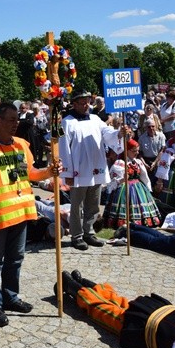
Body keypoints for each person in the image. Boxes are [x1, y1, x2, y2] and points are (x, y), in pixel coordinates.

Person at [0, 102, 59, 327]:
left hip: (22, 212)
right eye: (11, 120)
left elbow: (30, 175)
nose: (15, 124)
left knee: (16, 259)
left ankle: (10, 297)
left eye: (17, 120)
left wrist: (49, 171)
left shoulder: (21, 145)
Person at [59, 89, 126, 251]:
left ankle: (89, 232)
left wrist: (119, 134)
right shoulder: (67, 122)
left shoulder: (95, 119)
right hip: (78, 169)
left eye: (88, 102)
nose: (86, 105)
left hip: (96, 166)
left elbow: (107, 133)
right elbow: (63, 148)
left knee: (93, 203)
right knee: (77, 205)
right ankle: (76, 235)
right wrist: (67, 172)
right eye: (82, 103)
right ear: (74, 104)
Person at [103, 139, 161, 228]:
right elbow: (112, 181)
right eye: (134, 151)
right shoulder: (120, 163)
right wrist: (122, 179)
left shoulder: (138, 162)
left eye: (137, 150)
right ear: (127, 151)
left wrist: (148, 189)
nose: (137, 153)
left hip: (138, 187)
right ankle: (123, 222)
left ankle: (142, 221)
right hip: (124, 189)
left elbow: (144, 176)